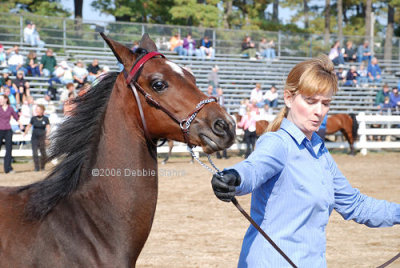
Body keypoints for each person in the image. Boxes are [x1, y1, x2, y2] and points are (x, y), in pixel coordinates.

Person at [210, 55, 400, 267]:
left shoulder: (320, 152)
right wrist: (234, 178)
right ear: (289, 98)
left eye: (325, 103)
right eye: (310, 101)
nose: (319, 111)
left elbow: (356, 205)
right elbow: (253, 169)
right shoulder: (277, 143)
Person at [23, 104, 50, 171]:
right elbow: (29, 126)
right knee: (35, 153)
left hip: (42, 137)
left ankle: (42, 166)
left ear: (42, 110)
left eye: (38, 109)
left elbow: (48, 128)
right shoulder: (33, 118)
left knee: (43, 153)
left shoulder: (46, 119)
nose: (36, 111)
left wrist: (47, 137)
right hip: (34, 137)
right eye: (36, 109)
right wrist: (25, 132)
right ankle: (36, 167)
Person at [0, 94, 19, 174]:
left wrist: (20, 124)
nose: (0, 101)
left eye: (1, 99)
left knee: (9, 150)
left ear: (5, 100)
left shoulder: (10, 108)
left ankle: (8, 169)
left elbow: (16, 117)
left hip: (8, 130)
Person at [216, 88, 228, 159]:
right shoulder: (216, 98)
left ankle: (224, 154)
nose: (221, 92)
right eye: (220, 91)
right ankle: (218, 155)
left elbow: (224, 105)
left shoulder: (223, 98)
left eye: (222, 91)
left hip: (222, 113)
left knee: (224, 139)